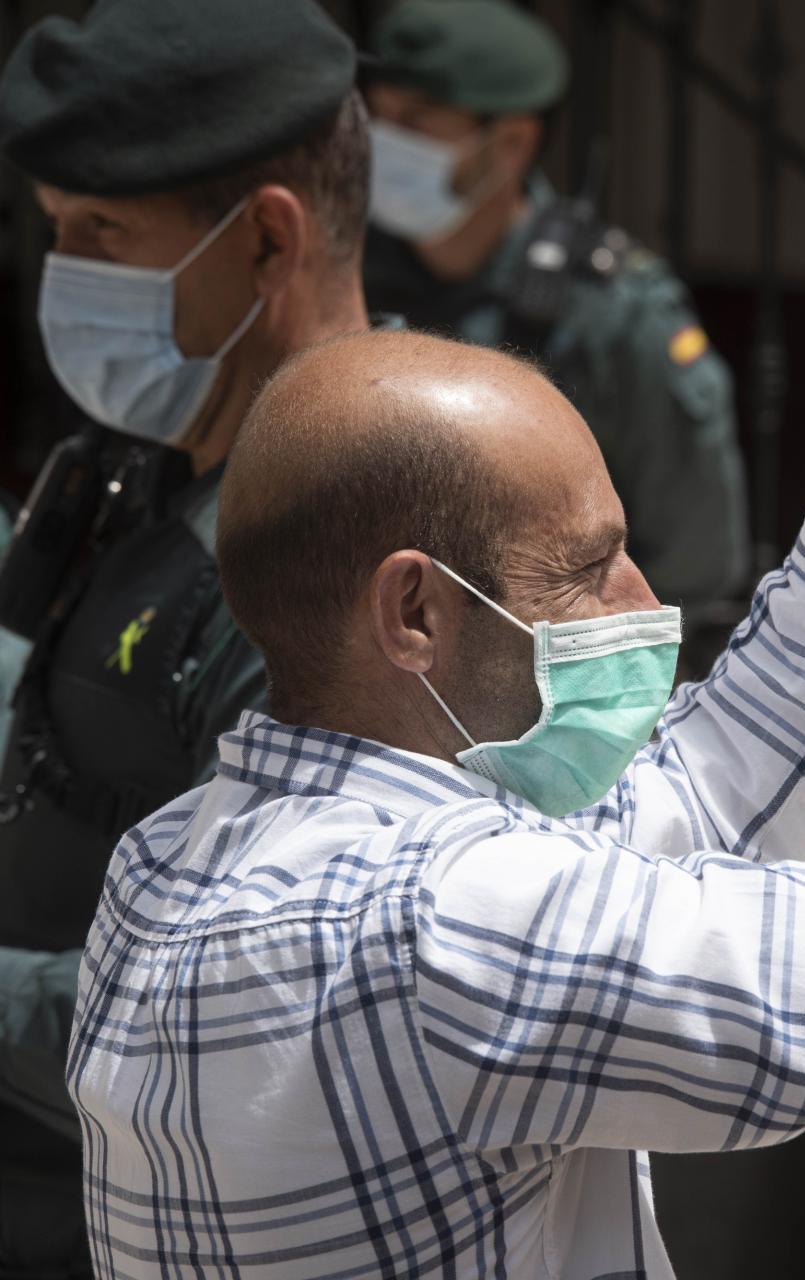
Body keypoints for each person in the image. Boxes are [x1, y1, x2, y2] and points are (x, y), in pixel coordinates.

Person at [67, 111, 805, 1277]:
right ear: (414, 613)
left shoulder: (173, 859)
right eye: (586, 568)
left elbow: (723, 779)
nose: (641, 597)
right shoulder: (445, 931)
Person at [0, 1, 376, 1273]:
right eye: (56, 229)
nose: (66, 270)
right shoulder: (127, 466)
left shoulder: (339, 555)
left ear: (266, 238)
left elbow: (241, 999)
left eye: (102, 231)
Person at [361, 0, 750, 612]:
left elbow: (692, 558)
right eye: (376, 118)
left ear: (512, 142)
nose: (384, 145)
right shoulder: (349, 275)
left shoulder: (615, 313)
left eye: (416, 121)